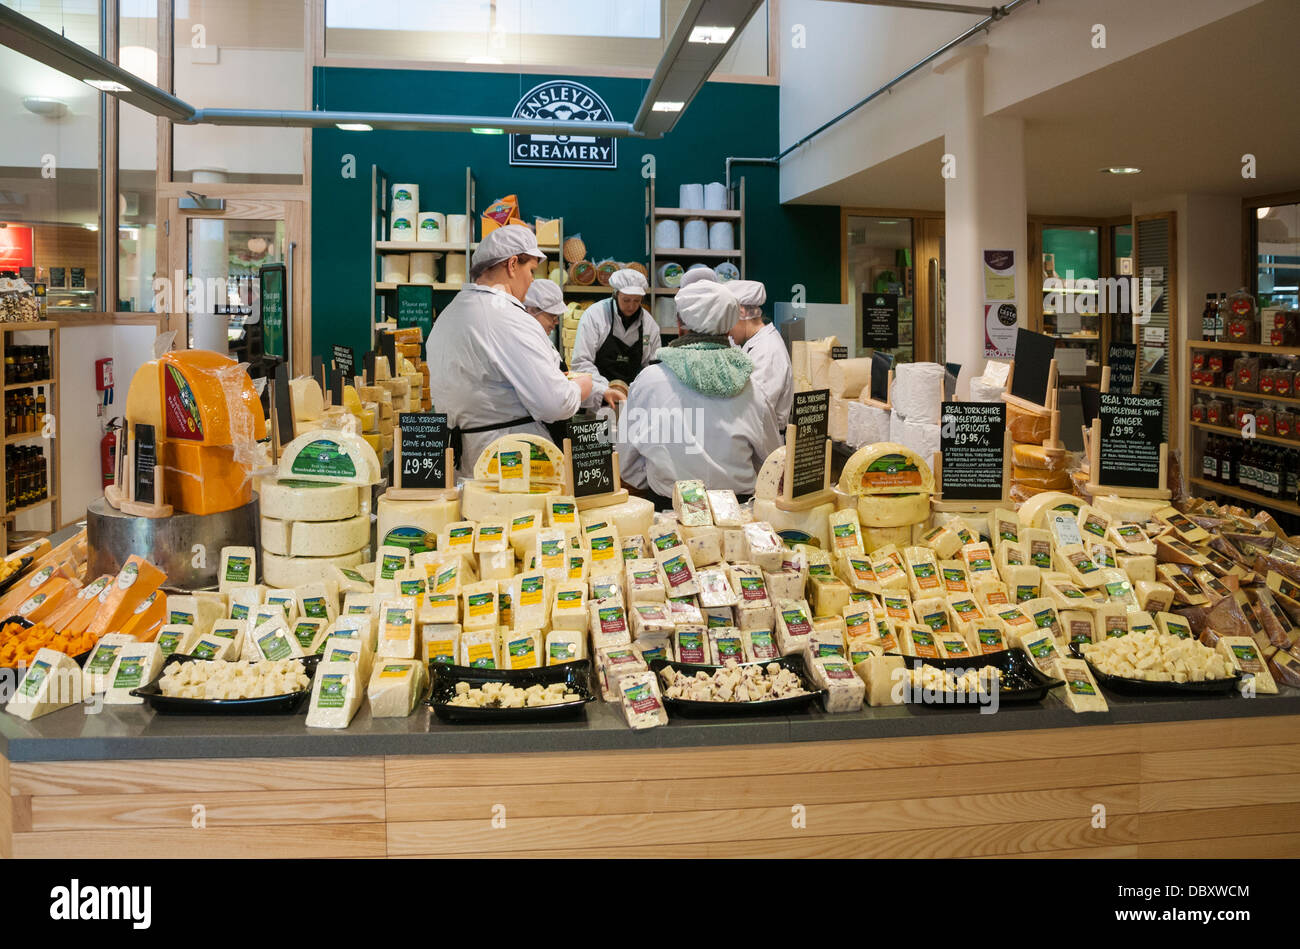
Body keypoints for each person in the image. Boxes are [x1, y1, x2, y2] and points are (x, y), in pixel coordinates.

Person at [425, 225, 591, 477]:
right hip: (511, 465)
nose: (533, 280)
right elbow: (554, 404)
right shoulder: (508, 317)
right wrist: (581, 388)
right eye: (531, 270)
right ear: (513, 265)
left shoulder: (448, 315)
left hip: (464, 459)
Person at [618, 281, 780, 503]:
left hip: (669, 513)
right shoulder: (752, 388)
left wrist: (661, 481)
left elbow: (626, 463)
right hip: (738, 516)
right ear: (729, 326)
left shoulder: (649, 382)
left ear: (679, 324)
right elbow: (772, 462)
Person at [523, 278, 617, 412]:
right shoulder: (527, 344)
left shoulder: (542, 340)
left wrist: (602, 392)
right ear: (532, 310)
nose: (556, 322)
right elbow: (550, 398)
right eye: (552, 316)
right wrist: (579, 388)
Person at [569, 268, 658, 405]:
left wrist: (634, 391)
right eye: (626, 300)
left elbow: (652, 367)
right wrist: (607, 389)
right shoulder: (595, 316)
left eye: (637, 301)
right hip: (598, 398)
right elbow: (581, 362)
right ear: (615, 294)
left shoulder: (649, 325)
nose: (631, 306)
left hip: (632, 401)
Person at [727, 279, 793, 429]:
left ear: (741, 313)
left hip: (765, 444)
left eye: (727, 320)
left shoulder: (767, 351)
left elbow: (755, 411)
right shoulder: (755, 344)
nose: (727, 330)